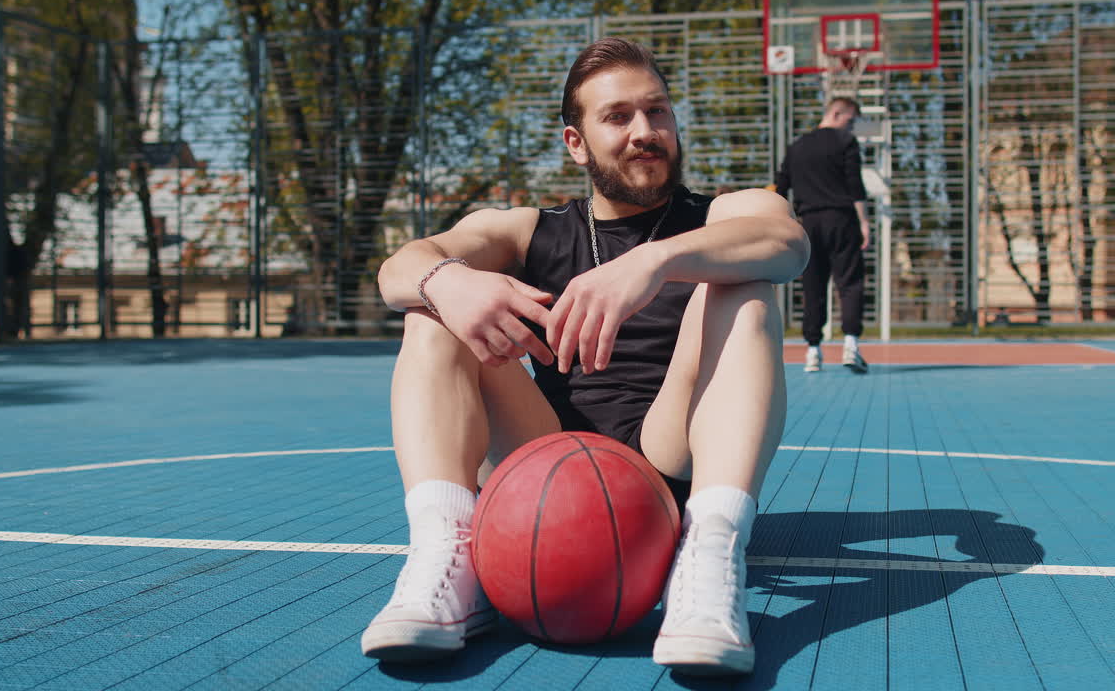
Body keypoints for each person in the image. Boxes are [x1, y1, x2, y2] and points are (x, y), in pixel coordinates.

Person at [360, 37, 809, 675]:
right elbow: (400, 268)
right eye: (618, 117)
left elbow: (786, 240)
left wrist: (654, 260)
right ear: (577, 142)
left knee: (746, 286)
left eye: (657, 112)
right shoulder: (528, 230)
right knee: (433, 306)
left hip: (668, 453)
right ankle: (445, 558)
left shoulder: (720, 214)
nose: (644, 131)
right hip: (541, 461)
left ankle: (710, 558)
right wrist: (450, 285)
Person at [775, 97, 870, 373]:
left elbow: (781, 187)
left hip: (809, 223)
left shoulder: (796, 147)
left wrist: (782, 223)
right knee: (850, 283)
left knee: (812, 286)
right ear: (836, 113)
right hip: (841, 220)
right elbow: (856, 185)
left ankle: (812, 351)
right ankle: (851, 345)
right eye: (850, 121)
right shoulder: (845, 142)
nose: (851, 128)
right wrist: (864, 222)